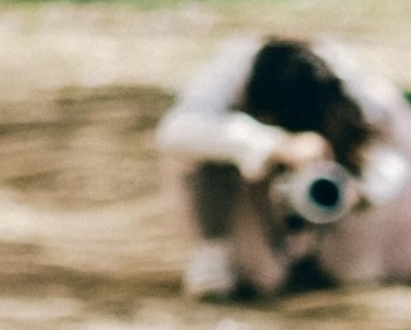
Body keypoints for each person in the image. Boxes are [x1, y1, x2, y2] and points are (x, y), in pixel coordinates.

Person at [160, 34, 411, 299]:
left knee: (350, 272)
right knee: (200, 148)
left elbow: (396, 154)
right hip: (251, 191)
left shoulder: (358, 90)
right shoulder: (230, 72)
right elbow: (175, 132)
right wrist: (276, 145)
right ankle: (214, 257)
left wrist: (361, 191)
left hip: (350, 219)